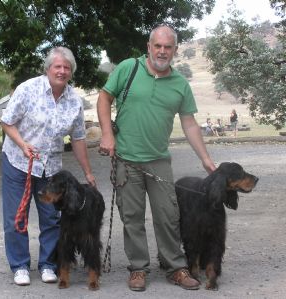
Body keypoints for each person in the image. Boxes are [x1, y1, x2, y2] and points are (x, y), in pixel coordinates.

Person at [97, 25, 216, 292]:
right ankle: (138, 269)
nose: (162, 51)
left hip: (159, 160)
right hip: (126, 158)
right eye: (158, 46)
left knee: (168, 216)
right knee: (132, 218)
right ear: (149, 46)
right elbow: (104, 98)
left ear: (174, 50)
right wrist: (107, 134)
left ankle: (176, 267)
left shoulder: (180, 84)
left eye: (168, 47)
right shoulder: (129, 68)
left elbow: (190, 124)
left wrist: (206, 160)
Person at [1, 46, 96, 286]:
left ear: (71, 72)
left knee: (53, 218)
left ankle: (48, 264)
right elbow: (7, 122)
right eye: (58, 66)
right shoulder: (28, 89)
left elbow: (78, 138)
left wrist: (87, 171)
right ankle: (20, 265)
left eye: (67, 68)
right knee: (16, 217)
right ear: (48, 69)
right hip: (18, 162)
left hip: (50, 167)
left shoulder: (74, 100)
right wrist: (23, 145)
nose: (62, 71)